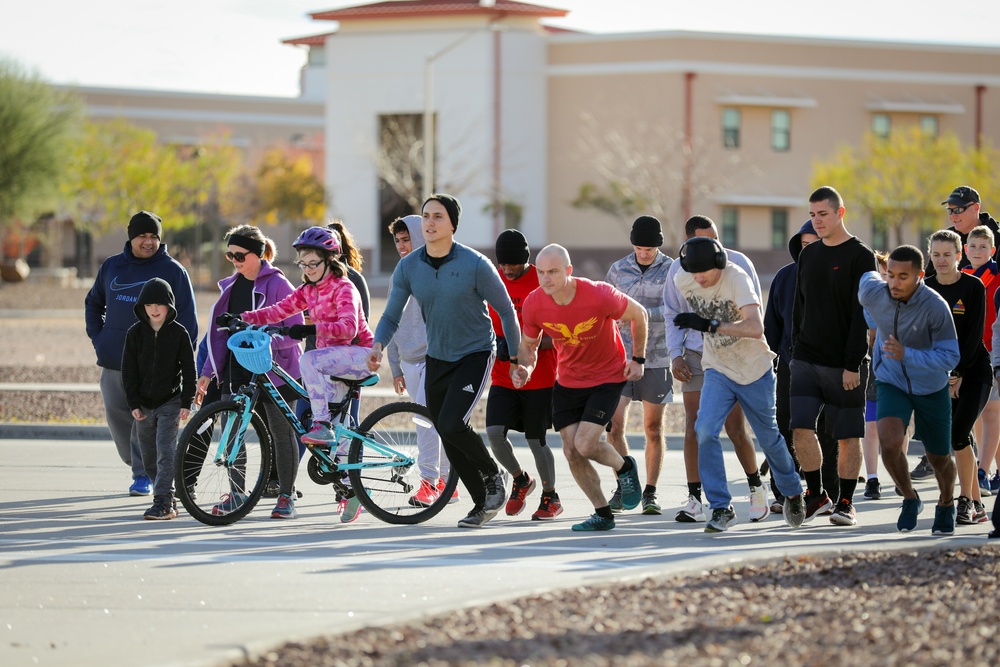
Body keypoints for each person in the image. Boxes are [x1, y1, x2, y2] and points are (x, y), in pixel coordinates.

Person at [367, 194, 520, 529]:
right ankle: (483, 502)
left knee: (450, 422)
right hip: (438, 355)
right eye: (426, 216)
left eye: (438, 216)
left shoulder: (475, 264)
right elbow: (392, 314)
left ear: (453, 223)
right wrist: (378, 345)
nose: (430, 222)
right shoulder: (409, 266)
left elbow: (506, 309)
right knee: (445, 429)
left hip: (475, 353)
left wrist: (517, 357)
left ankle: (495, 477)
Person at [240, 226, 374, 522]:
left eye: (313, 263)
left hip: (359, 355)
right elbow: (277, 311)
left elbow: (349, 329)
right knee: (341, 437)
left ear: (330, 261)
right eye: (302, 263)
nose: (308, 269)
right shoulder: (308, 291)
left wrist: (311, 328)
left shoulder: (344, 287)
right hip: (332, 362)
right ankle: (355, 492)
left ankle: (321, 424)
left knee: (308, 359)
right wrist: (243, 318)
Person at [671, 237, 805, 531]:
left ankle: (793, 491)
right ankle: (720, 507)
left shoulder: (737, 278)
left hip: (753, 368)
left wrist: (710, 325)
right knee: (704, 429)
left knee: (768, 436)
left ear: (719, 264)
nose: (699, 279)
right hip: (718, 367)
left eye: (704, 272)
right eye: (694, 272)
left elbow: (756, 327)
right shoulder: (684, 278)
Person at [513, 244, 646, 532]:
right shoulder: (535, 303)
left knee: (586, 444)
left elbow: (640, 315)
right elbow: (529, 345)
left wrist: (638, 358)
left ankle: (624, 468)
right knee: (572, 451)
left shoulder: (599, 294)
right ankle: (602, 513)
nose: (546, 279)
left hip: (607, 376)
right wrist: (525, 367)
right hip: (569, 380)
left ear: (568, 271)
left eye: (553, 272)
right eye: (542, 273)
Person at [85, 210, 198, 496]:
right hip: (113, 360)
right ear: (131, 236)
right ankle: (137, 462)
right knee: (118, 417)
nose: (148, 242)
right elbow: (93, 303)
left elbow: (187, 318)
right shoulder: (112, 267)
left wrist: (179, 359)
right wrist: (99, 338)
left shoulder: (173, 270)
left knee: (144, 421)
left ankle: (143, 474)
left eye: (154, 237)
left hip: (154, 366)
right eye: (142, 236)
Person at [663, 215, 767, 523]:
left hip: (731, 355)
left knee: (734, 427)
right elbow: (672, 313)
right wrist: (675, 355)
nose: (716, 247)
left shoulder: (739, 264)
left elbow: (754, 317)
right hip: (695, 353)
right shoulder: (677, 270)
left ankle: (755, 488)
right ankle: (696, 499)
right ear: (688, 244)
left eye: (716, 239)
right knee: (696, 426)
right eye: (707, 241)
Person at [197, 225, 304, 519]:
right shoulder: (230, 287)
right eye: (230, 255)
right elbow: (217, 335)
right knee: (232, 434)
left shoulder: (279, 285)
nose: (234, 261)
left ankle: (286, 496)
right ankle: (236, 493)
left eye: (240, 255)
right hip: (238, 369)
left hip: (277, 370)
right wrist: (207, 372)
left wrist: (267, 341)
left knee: (282, 435)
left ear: (258, 254)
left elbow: (296, 331)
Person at [790, 186, 876, 526]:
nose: (817, 221)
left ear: (840, 213)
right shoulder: (809, 256)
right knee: (800, 429)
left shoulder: (861, 256)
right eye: (812, 215)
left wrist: (853, 363)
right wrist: (796, 350)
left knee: (847, 436)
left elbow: (861, 313)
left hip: (845, 363)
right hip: (807, 359)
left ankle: (845, 501)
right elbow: (800, 306)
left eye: (823, 214)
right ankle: (816, 495)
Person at [858, 245, 960, 534]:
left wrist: (908, 354)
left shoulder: (935, 306)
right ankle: (910, 498)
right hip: (891, 381)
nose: (894, 283)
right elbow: (864, 279)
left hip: (930, 387)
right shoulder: (874, 292)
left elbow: (950, 357)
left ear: (920, 276)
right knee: (889, 445)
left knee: (939, 457)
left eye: (903, 277)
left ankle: (945, 501)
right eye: (890, 275)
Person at [763, 219, 842, 509]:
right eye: (805, 245)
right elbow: (772, 325)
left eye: (816, 244)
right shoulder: (785, 277)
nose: (810, 250)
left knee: (827, 430)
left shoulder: (838, 275)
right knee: (786, 426)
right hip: (791, 364)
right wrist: (767, 361)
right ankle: (786, 492)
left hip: (829, 364)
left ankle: (826, 493)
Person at [486, 229, 563, 521]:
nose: (507, 270)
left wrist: (524, 345)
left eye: (512, 265)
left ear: (526, 260)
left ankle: (550, 496)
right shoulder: (494, 278)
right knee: (493, 433)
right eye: (502, 264)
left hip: (539, 376)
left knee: (536, 440)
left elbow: (558, 333)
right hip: (503, 375)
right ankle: (520, 479)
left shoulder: (541, 279)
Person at [604, 215, 674, 515]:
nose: (644, 253)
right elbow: (605, 307)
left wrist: (637, 313)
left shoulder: (672, 269)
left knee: (653, 427)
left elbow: (675, 309)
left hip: (658, 358)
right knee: (614, 425)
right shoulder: (618, 270)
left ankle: (651, 492)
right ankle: (625, 485)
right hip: (620, 358)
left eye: (649, 249)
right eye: (639, 248)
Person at [384, 215, 453, 507]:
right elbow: (391, 320)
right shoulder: (398, 274)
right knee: (434, 421)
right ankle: (450, 481)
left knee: (426, 421)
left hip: (435, 357)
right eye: (398, 241)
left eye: (406, 238)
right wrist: (396, 366)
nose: (401, 245)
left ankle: (429, 484)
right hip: (409, 360)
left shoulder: (438, 270)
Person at [924, 229, 991, 525]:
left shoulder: (974, 287)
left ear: (959, 255)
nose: (941, 260)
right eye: (936, 255)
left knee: (959, 434)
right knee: (959, 439)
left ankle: (964, 501)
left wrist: (959, 373)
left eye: (947, 255)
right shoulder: (923, 289)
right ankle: (976, 504)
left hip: (974, 372)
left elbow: (974, 336)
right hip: (940, 374)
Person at [121, 278, 196, 520]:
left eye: (160, 305)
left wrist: (187, 401)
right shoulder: (134, 334)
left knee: (166, 450)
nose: (154, 309)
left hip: (170, 402)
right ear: (142, 307)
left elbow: (189, 369)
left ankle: (163, 501)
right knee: (149, 455)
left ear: (169, 307)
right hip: (143, 405)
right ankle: (167, 495)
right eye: (149, 305)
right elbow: (128, 371)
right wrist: (133, 403)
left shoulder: (179, 333)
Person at [961, 225, 1000, 497]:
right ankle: (982, 469)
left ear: (993, 250)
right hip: (967, 356)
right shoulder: (959, 276)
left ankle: (982, 472)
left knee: (992, 414)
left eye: (983, 247)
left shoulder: (997, 276)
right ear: (965, 249)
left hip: (992, 353)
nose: (977, 251)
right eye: (973, 246)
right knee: (975, 416)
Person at [924, 186, 1000, 279]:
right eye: (950, 210)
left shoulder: (997, 236)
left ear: (976, 208)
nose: (953, 216)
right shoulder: (946, 239)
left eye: (958, 210)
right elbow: (929, 278)